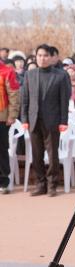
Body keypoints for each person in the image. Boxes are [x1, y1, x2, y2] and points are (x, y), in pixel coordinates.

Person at [21, 44, 71, 197]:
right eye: (40, 55)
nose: (42, 58)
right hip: (33, 120)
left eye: (45, 56)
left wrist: (64, 121)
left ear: (51, 57)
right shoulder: (29, 75)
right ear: (36, 57)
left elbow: (64, 100)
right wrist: (24, 118)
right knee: (36, 155)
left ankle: (52, 184)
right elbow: (25, 99)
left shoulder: (61, 75)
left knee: (52, 155)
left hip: (53, 121)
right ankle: (40, 183)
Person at [0, 59, 20, 194]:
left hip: (1, 117)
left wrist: (12, 115)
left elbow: (14, 94)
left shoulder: (7, 71)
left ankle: (3, 181)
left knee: (1, 149)